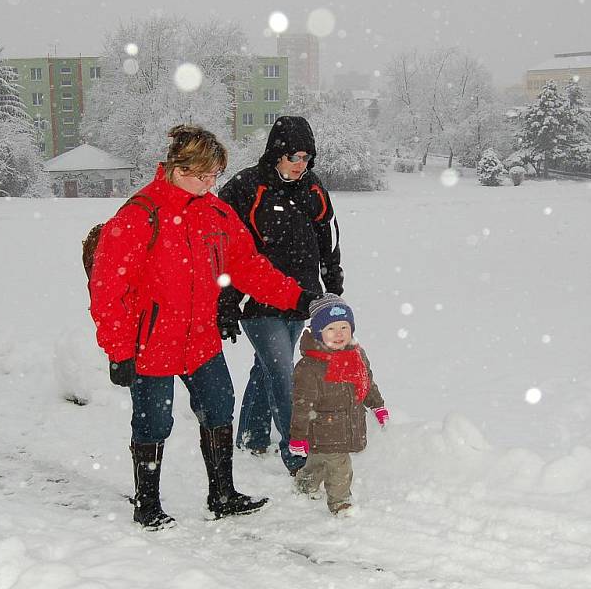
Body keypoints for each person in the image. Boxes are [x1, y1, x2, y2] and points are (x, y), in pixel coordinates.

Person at [88, 124, 317, 530]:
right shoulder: (142, 214)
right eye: (202, 175)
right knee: (153, 422)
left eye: (215, 175)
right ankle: (147, 503)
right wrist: (118, 351)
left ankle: (222, 494)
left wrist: (296, 297)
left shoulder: (216, 213)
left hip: (200, 340)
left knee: (219, 408)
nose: (209, 183)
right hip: (151, 342)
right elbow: (110, 289)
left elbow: (247, 265)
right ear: (178, 167)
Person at [217, 116, 343, 475]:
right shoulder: (245, 188)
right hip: (256, 300)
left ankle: (251, 437)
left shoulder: (312, 187)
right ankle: (298, 456)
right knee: (284, 374)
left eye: (307, 158)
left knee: (268, 367)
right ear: (276, 154)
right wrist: (225, 302)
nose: (301, 166)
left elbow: (328, 235)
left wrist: (331, 281)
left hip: (301, 296)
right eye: (295, 157)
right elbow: (223, 249)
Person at [289, 294, 388, 515]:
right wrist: (297, 436)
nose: (339, 334)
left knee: (318, 461)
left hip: (349, 422)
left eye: (344, 327)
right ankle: (340, 503)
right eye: (331, 328)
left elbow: (366, 382)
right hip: (325, 426)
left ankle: (304, 484)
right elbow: (302, 405)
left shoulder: (356, 355)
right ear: (318, 332)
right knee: (339, 467)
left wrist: (377, 405)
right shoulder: (310, 367)